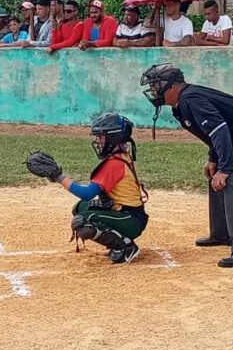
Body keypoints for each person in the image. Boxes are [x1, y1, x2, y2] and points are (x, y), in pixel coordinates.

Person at [140, 63, 233, 268]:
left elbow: (219, 130)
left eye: (156, 85)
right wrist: (214, 159)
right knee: (216, 174)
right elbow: (212, 132)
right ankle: (221, 233)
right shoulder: (183, 102)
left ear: (173, 86)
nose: (153, 90)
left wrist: (226, 168)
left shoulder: (190, 98)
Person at [25, 113, 149, 264]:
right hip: (126, 212)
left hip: (130, 220)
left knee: (83, 223)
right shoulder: (122, 153)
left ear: (113, 138)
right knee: (80, 208)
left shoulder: (114, 164)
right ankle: (118, 240)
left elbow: (87, 194)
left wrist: (58, 176)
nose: (97, 141)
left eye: (101, 137)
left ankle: (126, 246)